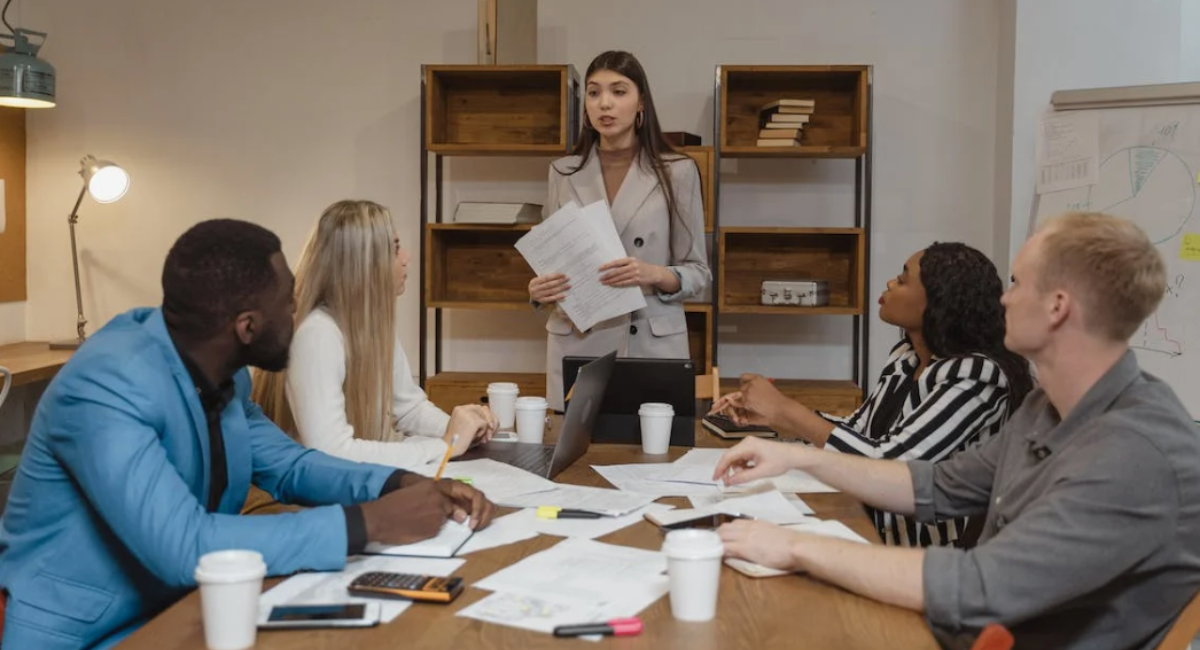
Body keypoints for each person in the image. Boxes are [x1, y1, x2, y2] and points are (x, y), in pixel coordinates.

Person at [0, 219, 496, 650]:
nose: (298, 310)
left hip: (190, 612)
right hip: (94, 634)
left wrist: (395, 484)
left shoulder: (222, 370)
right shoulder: (105, 387)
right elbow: (184, 546)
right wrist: (367, 523)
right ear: (247, 326)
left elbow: (291, 465)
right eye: (288, 301)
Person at [713, 213, 1200, 650]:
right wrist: (801, 458)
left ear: (1057, 307)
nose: (1003, 298)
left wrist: (796, 546)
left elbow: (982, 588)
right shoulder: (1044, 408)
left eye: (1016, 283)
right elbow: (935, 484)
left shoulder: (1134, 452)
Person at [710, 242, 1033, 547]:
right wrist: (776, 420)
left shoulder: (977, 375)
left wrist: (787, 411)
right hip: (869, 525)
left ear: (937, 302)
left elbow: (892, 466)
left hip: (926, 554)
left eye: (904, 280)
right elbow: (857, 431)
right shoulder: (906, 357)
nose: (890, 284)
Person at [251, 200, 497, 470]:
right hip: (308, 495)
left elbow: (410, 409)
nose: (406, 258)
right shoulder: (317, 335)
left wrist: (464, 430)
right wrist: (445, 445)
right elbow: (332, 451)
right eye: (394, 249)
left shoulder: (370, 326)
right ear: (364, 264)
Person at [529, 50, 710, 411]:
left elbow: (699, 273)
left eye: (619, 91)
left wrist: (653, 273)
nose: (605, 103)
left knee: (650, 461)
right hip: (578, 342)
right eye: (594, 93)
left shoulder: (678, 171)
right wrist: (538, 290)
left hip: (648, 341)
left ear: (641, 102)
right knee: (572, 462)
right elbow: (553, 260)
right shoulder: (562, 172)